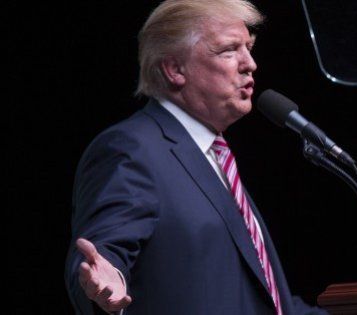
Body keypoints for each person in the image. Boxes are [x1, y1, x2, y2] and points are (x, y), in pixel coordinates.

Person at [64, 1, 327, 314]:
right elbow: (101, 253)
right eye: (229, 50)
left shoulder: (213, 156)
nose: (250, 63)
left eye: (249, 47)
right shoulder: (132, 149)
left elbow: (261, 300)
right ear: (175, 69)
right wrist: (107, 281)